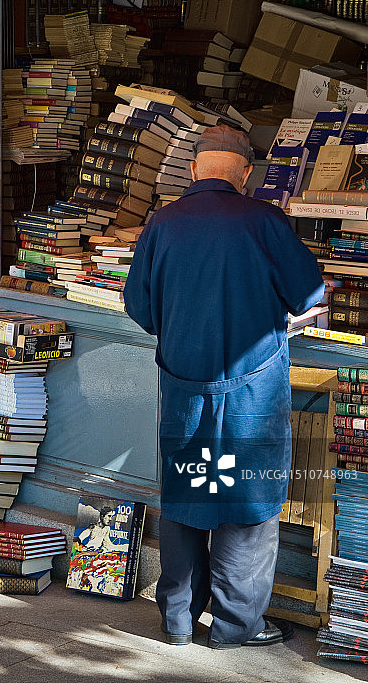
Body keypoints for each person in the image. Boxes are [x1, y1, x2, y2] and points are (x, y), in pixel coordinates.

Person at [123, 124, 324, 650]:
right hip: (252, 392)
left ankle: (179, 620)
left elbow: (141, 310)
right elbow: (308, 295)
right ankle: (237, 627)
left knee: (188, 495)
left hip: (184, 389)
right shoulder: (264, 221)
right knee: (246, 504)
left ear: (193, 169)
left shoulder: (161, 225)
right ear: (247, 174)